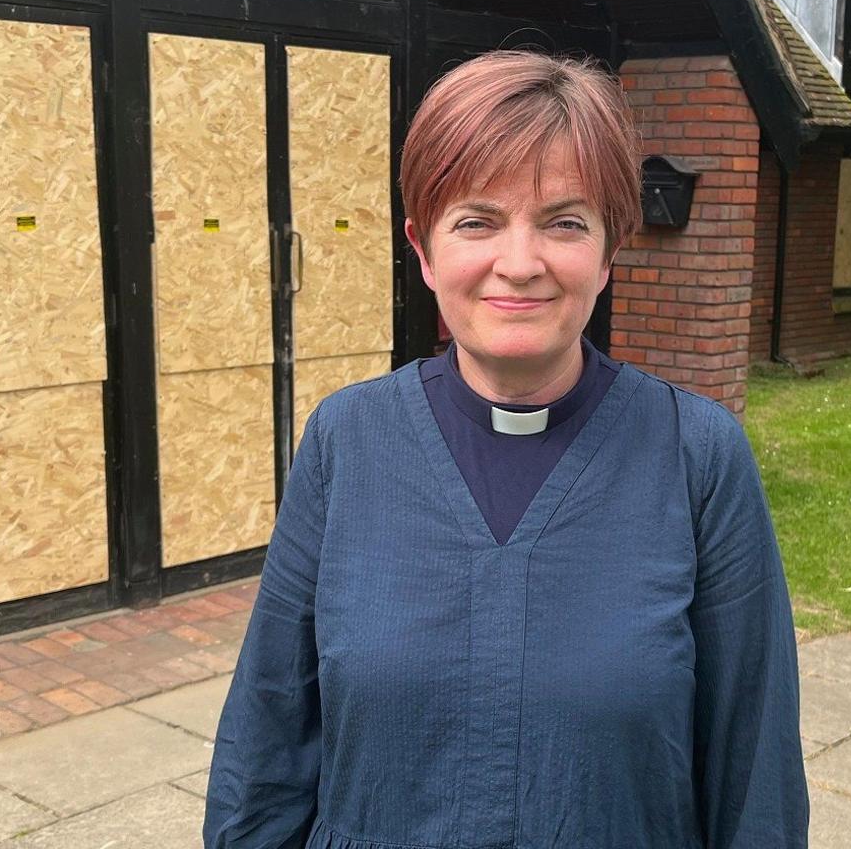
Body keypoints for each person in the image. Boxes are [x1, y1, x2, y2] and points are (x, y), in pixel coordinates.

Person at [204, 49, 807, 848]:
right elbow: (266, 747)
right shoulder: (346, 443)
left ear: (609, 249)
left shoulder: (697, 460)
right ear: (422, 249)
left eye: (564, 222)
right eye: (477, 221)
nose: (519, 265)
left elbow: (754, 778)